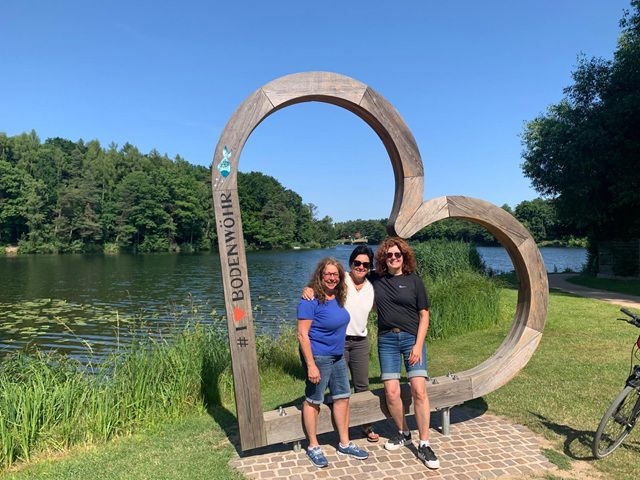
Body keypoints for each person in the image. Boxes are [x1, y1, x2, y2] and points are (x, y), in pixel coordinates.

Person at [373, 237, 440, 470]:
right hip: (387, 340)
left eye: (397, 255)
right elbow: (348, 278)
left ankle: (424, 444)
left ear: (404, 257)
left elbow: (424, 315)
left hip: (412, 339)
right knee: (391, 392)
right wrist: (311, 287)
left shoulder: (414, 281)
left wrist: (418, 345)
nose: (393, 258)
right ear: (383, 258)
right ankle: (404, 432)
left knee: (418, 390)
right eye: (389, 255)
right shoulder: (376, 279)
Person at [297, 257, 369, 468]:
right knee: (314, 400)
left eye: (335, 274)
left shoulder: (338, 295)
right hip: (319, 357)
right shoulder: (310, 299)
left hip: (338, 356)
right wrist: (311, 365)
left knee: (342, 397)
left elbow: (362, 280)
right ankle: (313, 446)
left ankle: (344, 443)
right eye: (327, 274)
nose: (331, 278)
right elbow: (302, 335)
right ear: (320, 275)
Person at [303, 245, 380, 442]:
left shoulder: (372, 285)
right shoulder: (340, 279)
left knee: (362, 384)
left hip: (360, 341)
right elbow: (319, 285)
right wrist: (307, 289)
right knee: (337, 388)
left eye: (365, 264)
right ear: (351, 263)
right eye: (357, 263)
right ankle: (332, 428)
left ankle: (366, 425)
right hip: (339, 341)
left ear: (370, 267)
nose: (361, 267)